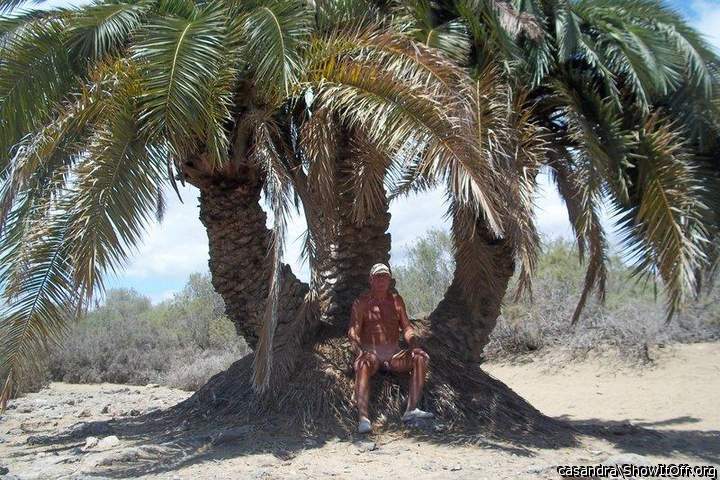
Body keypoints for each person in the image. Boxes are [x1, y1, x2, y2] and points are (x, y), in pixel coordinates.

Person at [347, 263, 433, 434]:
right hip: (371, 356)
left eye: (384, 276)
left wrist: (414, 345)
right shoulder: (361, 303)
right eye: (378, 276)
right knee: (363, 364)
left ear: (389, 280)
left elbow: (407, 328)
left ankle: (411, 410)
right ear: (371, 280)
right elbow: (353, 331)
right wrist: (359, 352)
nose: (381, 280)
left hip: (395, 356)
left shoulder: (396, 301)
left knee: (421, 358)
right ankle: (363, 418)